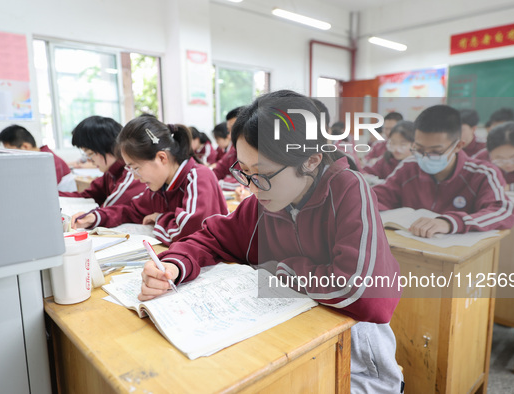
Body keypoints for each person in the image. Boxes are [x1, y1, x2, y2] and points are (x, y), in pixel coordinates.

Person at [137, 90, 404, 393]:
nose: (251, 188)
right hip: (288, 346)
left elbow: (367, 295)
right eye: (244, 172)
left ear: (311, 161)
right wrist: (174, 265)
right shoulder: (265, 202)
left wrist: (281, 271)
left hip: (355, 365)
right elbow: (211, 237)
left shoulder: (348, 190)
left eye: (262, 174)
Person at [71, 117, 228, 246]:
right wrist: (95, 217)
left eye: (136, 168)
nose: (135, 177)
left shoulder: (198, 176)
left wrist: (159, 217)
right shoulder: (159, 187)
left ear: (161, 158)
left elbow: (190, 230)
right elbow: (130, 210)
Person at [373, 105, 514, 238]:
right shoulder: (409, 166)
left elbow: (503, 211)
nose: (425, 157)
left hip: (458, 257)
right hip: (410, 249)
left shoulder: (483, 173)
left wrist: (450, 222)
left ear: (458, 146)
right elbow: (378, 197)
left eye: (435, 151)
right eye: (419, 149)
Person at [59, 116, 145, 207]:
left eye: (90, 153)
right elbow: (87, 196)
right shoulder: (110, 173)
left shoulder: (131, 174)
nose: (89, 160)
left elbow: (106, 212)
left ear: (106, 146)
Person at [0, 124, 75, 191]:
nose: (10, 155)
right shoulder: (36, 158)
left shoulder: (49, 160)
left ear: (25, 146)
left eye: (11, 151)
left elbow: (46, 189)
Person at [213, 106, 245, 191]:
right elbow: (217, 172)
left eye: (234, 129)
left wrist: (221, 183)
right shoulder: (233, 151)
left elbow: (247, 183)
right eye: (229, 130)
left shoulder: (259, 153)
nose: (230, 136)